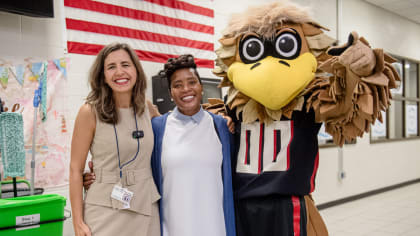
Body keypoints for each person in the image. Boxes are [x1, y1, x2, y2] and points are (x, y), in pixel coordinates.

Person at [69, 42, 161, 236]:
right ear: (103, 76)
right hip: (105, 208)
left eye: (125, 65)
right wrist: (77, 222)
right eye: (111, 67)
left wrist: (222, 118)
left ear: (136, 70)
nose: (119, 72)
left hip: (146, 206)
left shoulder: (148, 108)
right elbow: (75, 169)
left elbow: (174, 133)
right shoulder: (89, 111)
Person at [150, 54, 236, 236]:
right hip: (173, 230)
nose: (186, 89)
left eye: (191, 82)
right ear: (170, 93)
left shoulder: (220, 126)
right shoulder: (158, 128)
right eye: (177, 85)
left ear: (201, 86)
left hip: (216, 229)